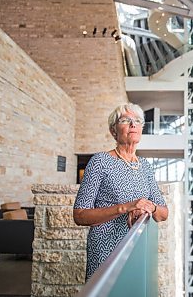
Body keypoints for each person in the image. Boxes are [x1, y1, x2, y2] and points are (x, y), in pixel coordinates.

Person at [73, 103, 168, 280]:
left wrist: (148, 207)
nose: (133, 124)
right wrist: (126, 208)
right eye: (126, 120)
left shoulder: (145, 166)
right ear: (113, 131)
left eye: (138, 121)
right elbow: (79, 215)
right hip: (105, 251)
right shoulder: (100, 161)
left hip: (137, 250)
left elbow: (163, 213)